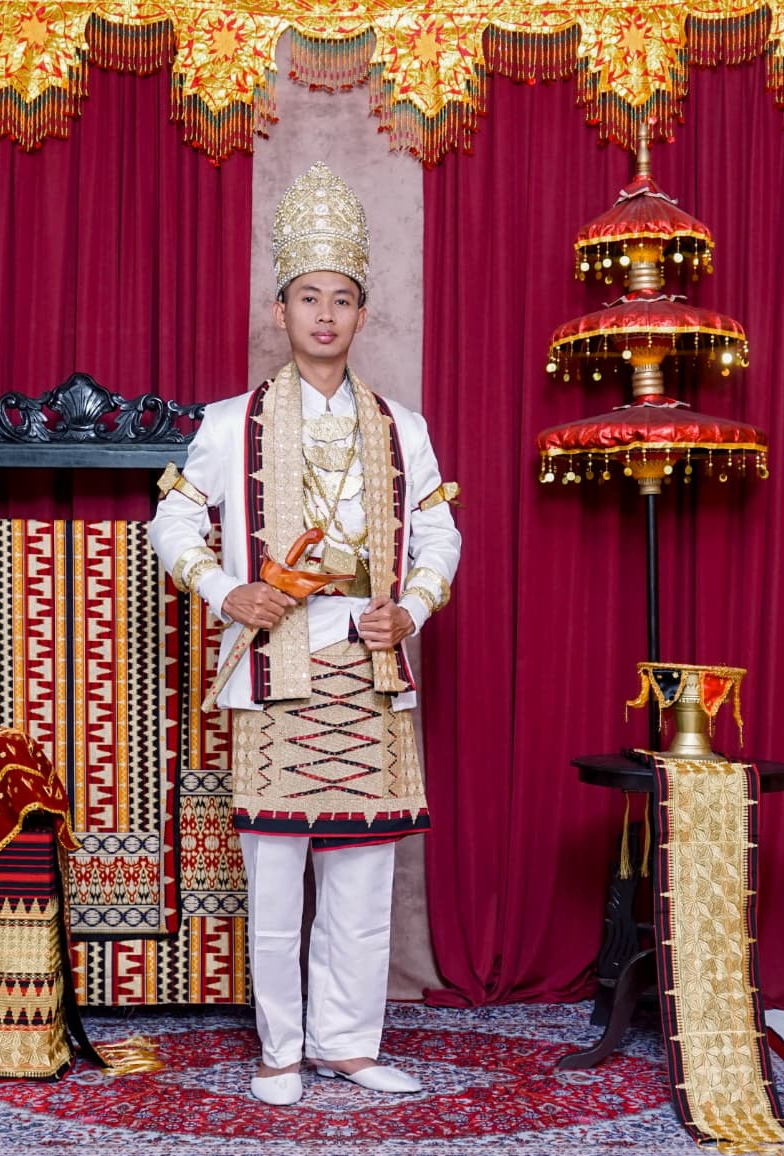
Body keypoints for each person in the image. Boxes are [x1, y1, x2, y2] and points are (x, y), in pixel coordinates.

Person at [149, 162, 461, 1105]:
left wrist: (412, 607)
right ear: (280, 308)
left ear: (362, 314)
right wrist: (223, 589)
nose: (325, 315)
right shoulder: (228, 424)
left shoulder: (401, 427)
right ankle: (280, 1052)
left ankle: (349, 1046)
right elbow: (172, 519)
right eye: (308, 297)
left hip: (371, 664)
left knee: (363, 878)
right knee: (277, 878)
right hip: (274, 667)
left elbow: (441, 533)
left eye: (342, 299)